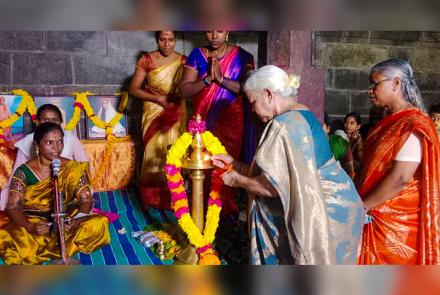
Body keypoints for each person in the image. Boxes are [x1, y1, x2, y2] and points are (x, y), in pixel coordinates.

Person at [212, 65, 363, 265]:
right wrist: (236, 164)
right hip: (342, 205)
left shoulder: (285, 124)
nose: (253, 110)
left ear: (268, 94)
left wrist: (236, 180)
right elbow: (281, 173)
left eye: (253, 102)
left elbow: (271, 186)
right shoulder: (302, 112)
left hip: (325, 214)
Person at [358, 58, 440, 264]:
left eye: (375, 84)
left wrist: (362, 208)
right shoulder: (385, 124)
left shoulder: (413, 124)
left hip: (396, 223)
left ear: (395, 83)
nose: (370, 90)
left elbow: (401, 177)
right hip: (373, 211)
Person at [0, 123, 110, 264]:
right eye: (49, 142)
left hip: (66, 221)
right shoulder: (24, 172)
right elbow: (13, 207)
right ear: (37, 145)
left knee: (99, 224)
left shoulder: (73, 168)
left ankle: (50, 249)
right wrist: (31, 226)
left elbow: (86, 200)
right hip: (36, 224)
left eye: (60, 142)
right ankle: (58, 248)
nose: (56, 148)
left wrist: (76, 220)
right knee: (4, 235)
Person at [180, 30, 255, 216]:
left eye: (220, 30)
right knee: (203, 163)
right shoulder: (197, 55)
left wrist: (221, 79)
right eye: (209, 30)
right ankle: (202, 208)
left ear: (228, 31)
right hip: (203, 119)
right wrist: (207, 80)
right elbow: (184, 90)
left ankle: (225, 211)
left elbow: (247, 89)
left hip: (232, 119)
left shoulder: (243, 56)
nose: (214, 35)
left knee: (226, 163)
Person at [129, 31, 187, 210]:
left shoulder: (183, 61)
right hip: (153, 109)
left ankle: (173, 197)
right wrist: (158, 100)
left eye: (171, 40)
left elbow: (187, 87)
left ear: (176, 39)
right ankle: (152, 199)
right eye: (163, 40)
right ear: (157, 40)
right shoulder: (146, 60)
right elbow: (134, 89)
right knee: (153, 154)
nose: (167, 44)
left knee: (175, 153)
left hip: (176, 110)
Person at [0, 104, 89, 211]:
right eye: (45, 120)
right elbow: (17, 175)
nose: (50, 124)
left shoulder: (71, 139)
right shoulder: (27, 142)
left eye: (54, 120)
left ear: (61, 123)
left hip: (68, 193)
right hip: (36, 200)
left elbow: (83, 167)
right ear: (37, 122)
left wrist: (84, 192)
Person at [323, 114, 355, 178]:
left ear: (328, 129)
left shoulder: (340, 143)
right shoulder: (307, 144)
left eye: (320, 126)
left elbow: (350, 172)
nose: (315, 130)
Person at [344, 112, 363, 176]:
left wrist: (352, 141)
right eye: (346, 122)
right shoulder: (341, 136)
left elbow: (360, 162)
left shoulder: (359, 139)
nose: (348, 125)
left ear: (358, 126)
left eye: (352, 123)